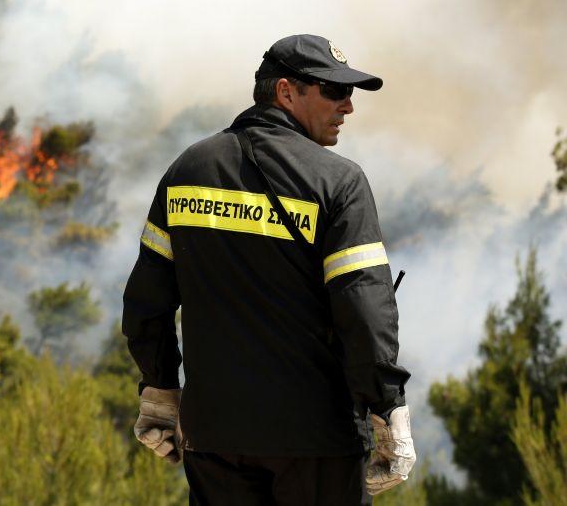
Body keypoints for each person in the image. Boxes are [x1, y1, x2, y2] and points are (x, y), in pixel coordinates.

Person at [123, 34, 415, 505]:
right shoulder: (340, 183)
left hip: (215, 438)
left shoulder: (186, 169)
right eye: (334, 92)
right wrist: (389, 409)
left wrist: (158, 388)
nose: (348, 107)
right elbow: (364, 312)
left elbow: (146, 302)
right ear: (286, 92)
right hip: (316, 439)